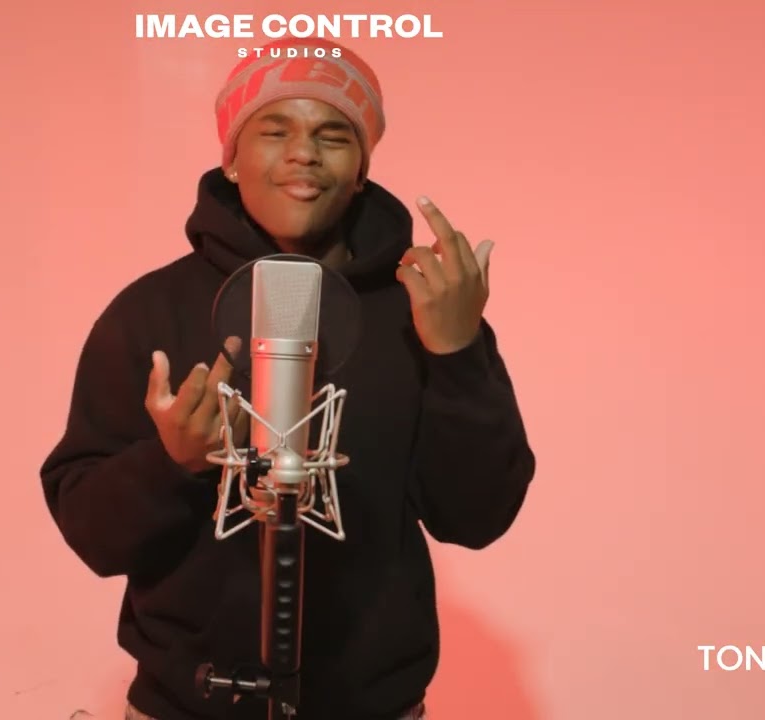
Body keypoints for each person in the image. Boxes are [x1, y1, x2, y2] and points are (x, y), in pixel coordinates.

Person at [40, 36, 536, 720]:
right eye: (274, 131)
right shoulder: (150, 311)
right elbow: (93, 535)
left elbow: (477, 517)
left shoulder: (422, 312)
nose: (304, 153)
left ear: (361, 169)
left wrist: (457, 354)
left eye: (334, 135)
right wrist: (170, 463)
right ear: (232, 159)